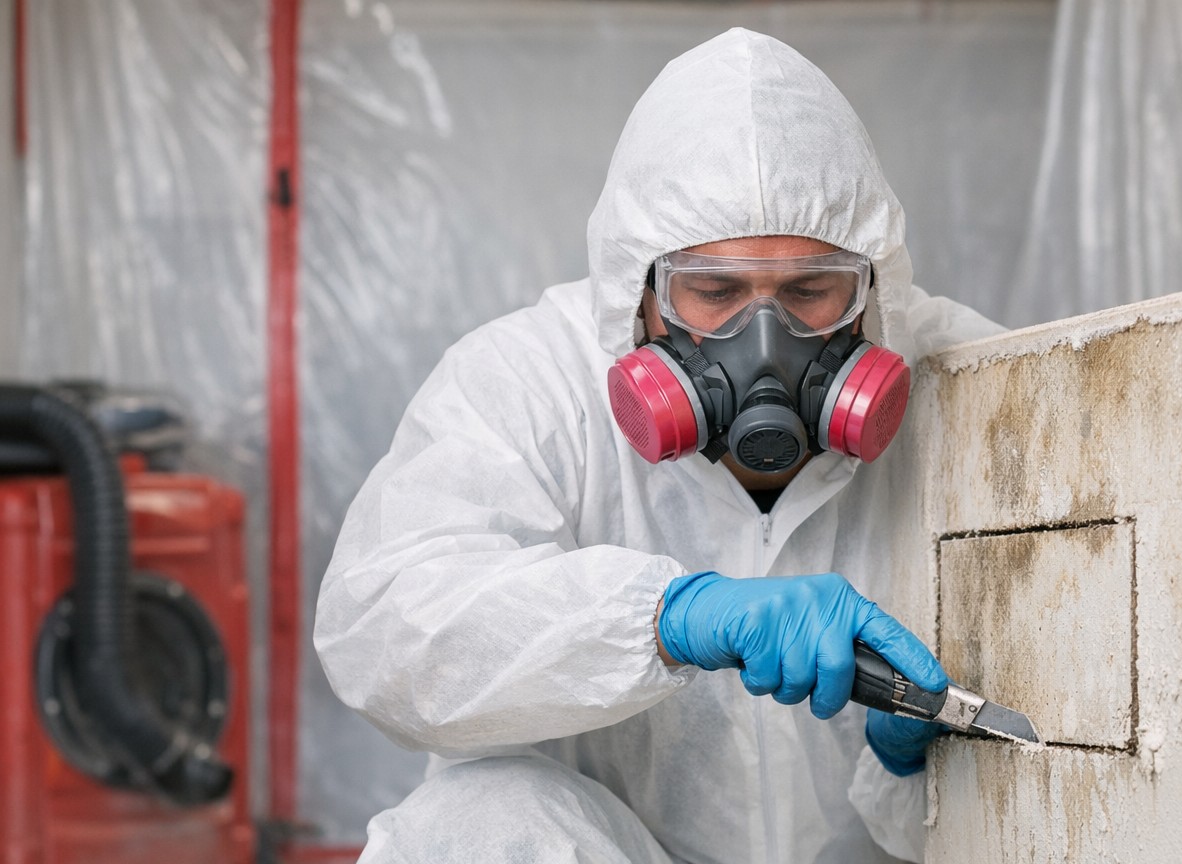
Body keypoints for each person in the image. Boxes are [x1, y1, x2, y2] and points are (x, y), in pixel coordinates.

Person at [315, 28, 1004, 863]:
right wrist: (664, 619)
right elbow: (384, 627)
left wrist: (910, 762)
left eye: (812, 291)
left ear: (873, 291)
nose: (766, 341)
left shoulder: (974, 384)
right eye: (712, 292)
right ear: (635, 291)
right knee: (474, 826)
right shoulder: (532, 384)